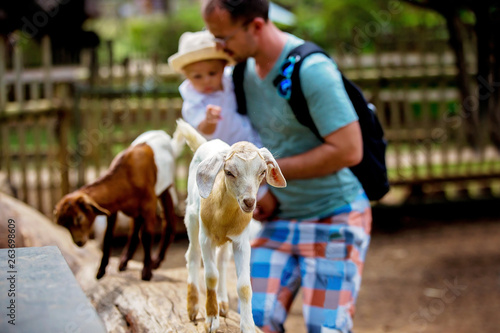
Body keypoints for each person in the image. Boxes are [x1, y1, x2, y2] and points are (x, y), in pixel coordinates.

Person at [202, 1, 372, 333]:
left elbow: (350, 150)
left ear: (255, 26)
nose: (218, 48)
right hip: (280, 217)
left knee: (325, 328)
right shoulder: (242, 74)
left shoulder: (311, 70)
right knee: (254, 322)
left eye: (224, 38)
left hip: (333, 214)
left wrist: (268, 175)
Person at [168, 30, 261, 146]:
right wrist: (209, 121)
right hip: (223, 154)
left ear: (223, 67)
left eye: (212, 73)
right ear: (186, 76)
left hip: (250, 141)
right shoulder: (193, 103)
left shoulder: (229, 79)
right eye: (197, 76)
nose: (206, 80)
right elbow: (204, 131)